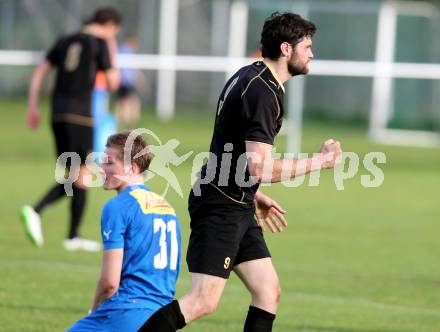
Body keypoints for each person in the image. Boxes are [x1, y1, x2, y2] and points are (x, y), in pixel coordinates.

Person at [140, 12, 342, 332]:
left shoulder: (254, 77)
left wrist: (254, 193)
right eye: (307, 46)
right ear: (286, 49)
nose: (312, 54)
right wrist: (321, 162)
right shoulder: (263, 91)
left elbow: (231, 149)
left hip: (236, 199)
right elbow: (257, 165)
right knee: (202, 300)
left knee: (268, 291)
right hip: (220, 205)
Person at [20, 7, 122, 251]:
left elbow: (40, 72)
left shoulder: (65, 40)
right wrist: (112, 49)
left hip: (58, 114)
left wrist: (32, 106)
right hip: (80, 116)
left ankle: (72, 236)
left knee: (77, 175)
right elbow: (112, 82)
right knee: (83, 175)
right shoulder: (99, 43)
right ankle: (36, 210)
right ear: (109, 26)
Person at [68, 131, 182, 331]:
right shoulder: (168, 208)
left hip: (127, 312)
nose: (101, 168)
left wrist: (93, 310)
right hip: (163, 317)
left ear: (132, 168)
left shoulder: (118, 206)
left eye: (109, 162)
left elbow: (109, 283)